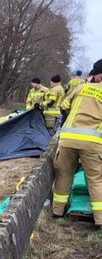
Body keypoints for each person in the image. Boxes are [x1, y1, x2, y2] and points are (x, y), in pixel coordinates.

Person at [52, 58, 102, 228]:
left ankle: (57, 212)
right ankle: (100, 220)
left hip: (68, 139)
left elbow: (64, 106)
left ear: (97, 75)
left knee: (64, 175)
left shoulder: (81, 87)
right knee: (96, 179)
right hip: (94, 143)